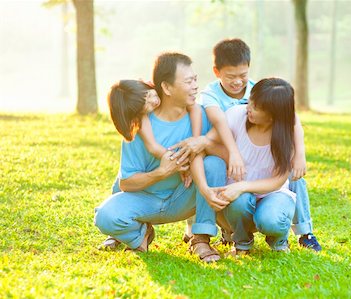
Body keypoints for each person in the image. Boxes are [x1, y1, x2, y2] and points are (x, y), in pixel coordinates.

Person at [173, 38, 321, 251]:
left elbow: (291, 118)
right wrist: (227, 151)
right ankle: (217, 234)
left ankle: (301, 232)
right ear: (217, 72)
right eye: (230, 76)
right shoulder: (213, 97)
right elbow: (219, 123)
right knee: (219, 174)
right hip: (228, 153)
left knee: (294, 175)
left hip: (260, 163)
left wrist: (300, 154)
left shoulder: (260, 91)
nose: (238, 82)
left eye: (243, 75)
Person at [94, 52, 226, 262]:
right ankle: (141, 235)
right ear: (166, 87)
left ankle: (200, 239)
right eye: (188, 81)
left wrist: (202, 142)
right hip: (147, 200)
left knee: (215, 165)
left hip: (185, 196)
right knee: (105, 216)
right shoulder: (138, 125)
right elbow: (126, 183)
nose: (195, 86)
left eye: (195, 80)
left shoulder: (202, 114)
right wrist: (162, 171)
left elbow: (226, 155)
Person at [210, 77, 298, 253]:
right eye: (250, 100)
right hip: (239, 196)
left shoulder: (286, 137)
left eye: (256, 107)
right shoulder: (236, 115)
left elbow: (277, 181)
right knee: (239, 201)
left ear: (273, 116)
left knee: (271, 220)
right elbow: (209, 142)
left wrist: (242, 186)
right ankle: (242, 243)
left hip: (273, 194)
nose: (248, 107)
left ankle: (278, 239)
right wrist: (230, 156)